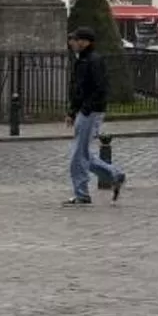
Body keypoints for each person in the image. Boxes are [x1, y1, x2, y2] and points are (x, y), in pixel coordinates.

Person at [64, 25, 125, 206]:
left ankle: (82, 193)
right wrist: (72, 111)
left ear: (84, 42)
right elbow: (78, 90)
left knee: (78, 155)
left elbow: (99, 88)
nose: (71, 43)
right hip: (85, 110)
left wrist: (85, 109)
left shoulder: (93, 61)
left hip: (91, 111)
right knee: (82, 154)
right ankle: (114, 174)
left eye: (75, 40)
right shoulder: (81, 60)